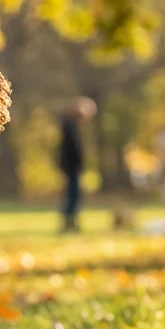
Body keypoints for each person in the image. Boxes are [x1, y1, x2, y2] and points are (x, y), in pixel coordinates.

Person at [56, 97, 96, 233]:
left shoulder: (71, 126)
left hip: (72, 166)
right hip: (71, 167)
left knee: (73, 195)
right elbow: (73, 149)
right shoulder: (70, 126)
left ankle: (71, 221)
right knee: (73, 195)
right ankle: (70, 222)